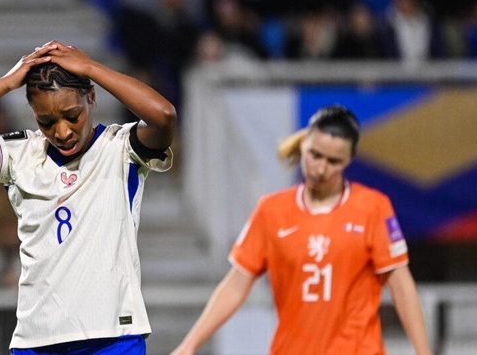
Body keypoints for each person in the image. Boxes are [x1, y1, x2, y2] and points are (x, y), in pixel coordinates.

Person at [0, 40, 176, 354]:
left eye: (72, 115)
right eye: (47, 121)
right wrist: (4, 84)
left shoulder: (120, 148)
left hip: (113, 336)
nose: (62, 131)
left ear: (91, 97)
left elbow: (163, 115)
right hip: (37, 340)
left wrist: (92, 68)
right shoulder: (20, 154)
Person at [171, 105, 431, 355]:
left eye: (333, 161)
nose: (320, 168)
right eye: (315, 155)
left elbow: (401, 285)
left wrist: (423, 351)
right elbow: (237, 284)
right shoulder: (271, 211)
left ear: (349, 160)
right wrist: (190, 344)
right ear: (303, 145)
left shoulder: (373, 208)